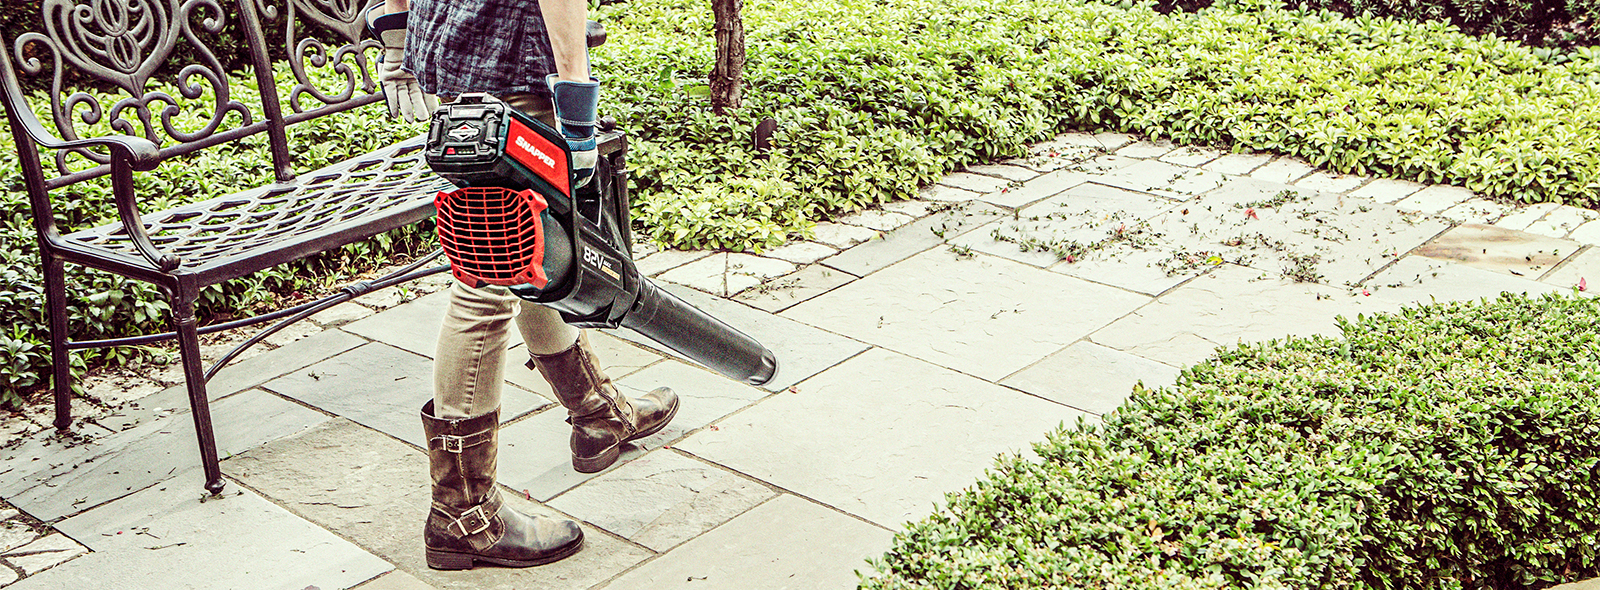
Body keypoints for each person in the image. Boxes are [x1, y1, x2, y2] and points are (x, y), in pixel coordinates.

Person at [364, 0, 681, 570]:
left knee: (532, 251)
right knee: (488, 280)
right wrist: (577, 107)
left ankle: (596, 413)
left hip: (450, 57)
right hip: (513, 71)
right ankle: (463, 512)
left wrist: (396, 36)